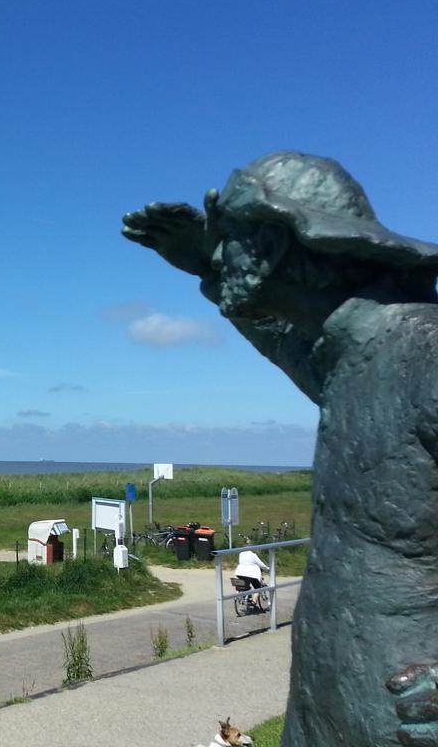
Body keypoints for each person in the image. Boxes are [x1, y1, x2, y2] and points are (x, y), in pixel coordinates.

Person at [122, 151, 438, 746]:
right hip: (329, 701)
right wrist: (211, 270)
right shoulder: (351, 360)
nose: (220, 250)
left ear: (273, 244)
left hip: (401, 715)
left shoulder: (423, 355)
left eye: (230, 239)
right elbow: (286, 344)